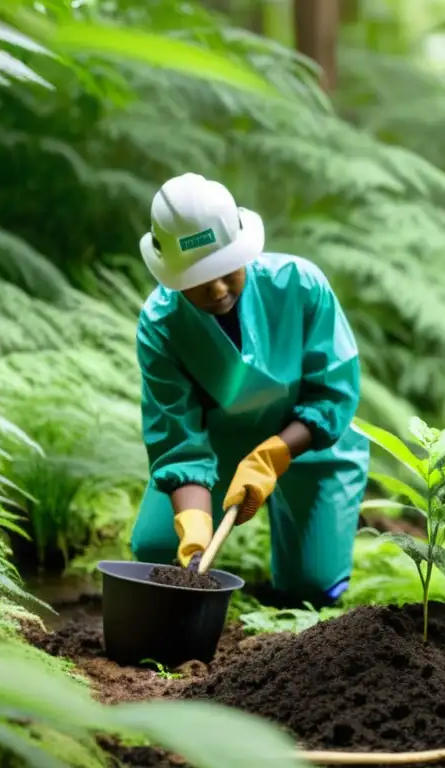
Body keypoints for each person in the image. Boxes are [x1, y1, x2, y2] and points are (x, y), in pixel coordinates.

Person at [129, 172, 370, 607]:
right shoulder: (160, 325)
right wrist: (194, 523)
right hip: (217, 446)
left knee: (312, 587)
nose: (217, 289)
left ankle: (306, 563)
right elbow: (178, 439)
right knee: (156, 552)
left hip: (310, 442)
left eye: (225, 269)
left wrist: (271, 456)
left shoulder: (301, 283)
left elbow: (332, 393)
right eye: (198, 279)